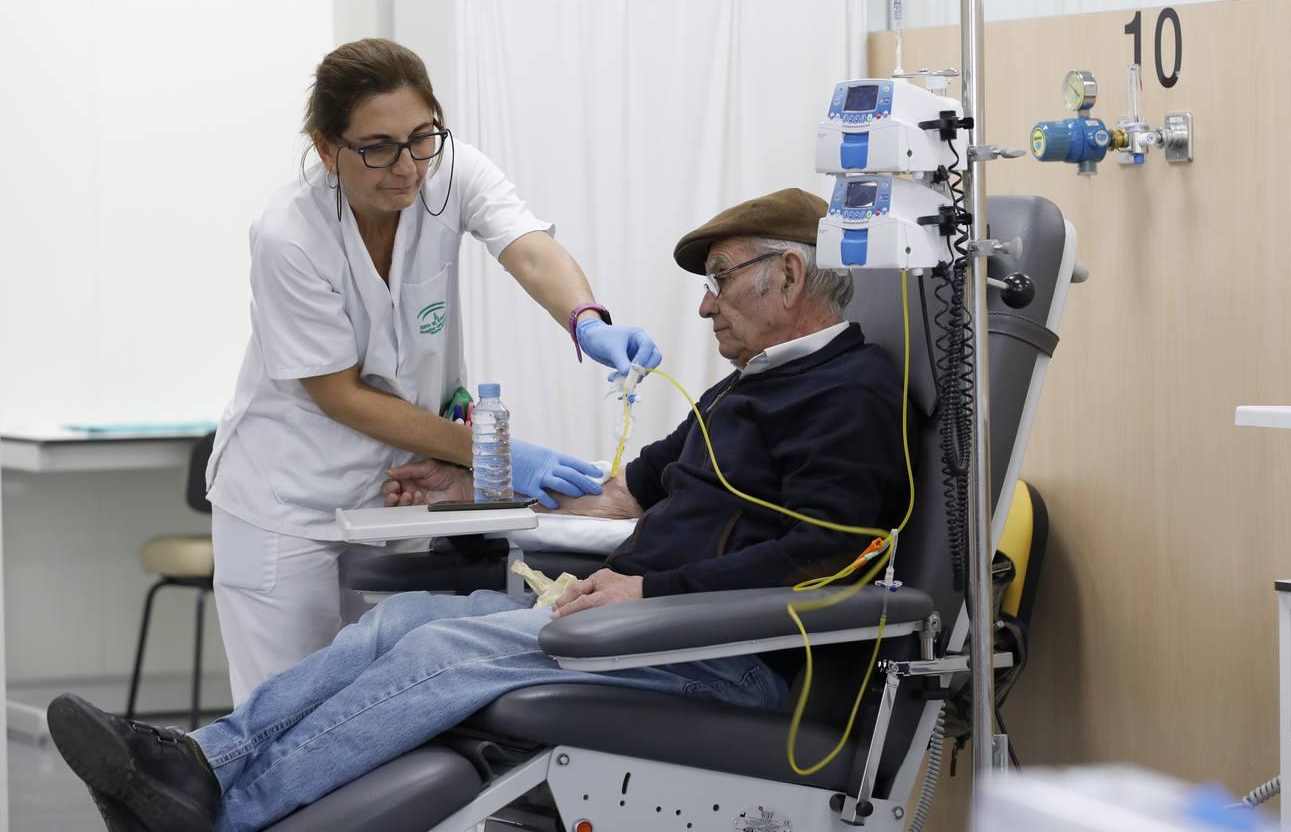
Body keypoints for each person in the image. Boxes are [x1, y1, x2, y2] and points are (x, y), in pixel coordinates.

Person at [49, 188, 913, 832]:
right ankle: (203, 760)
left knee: (444, 647)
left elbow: (827, 555)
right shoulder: (744, 388)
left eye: (722, 278)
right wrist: (479, 488)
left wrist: (652, 597)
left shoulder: (849, 392)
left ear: (790, 272)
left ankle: (230, 816)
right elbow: (621, 495)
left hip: (727, 654)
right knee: (402, 622)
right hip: (647, 624)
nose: (703, 302)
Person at [205, 38, 662, 702]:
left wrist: (586, 318)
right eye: (377, 146)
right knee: (281, 708)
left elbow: (529, 250)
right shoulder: (289, 235)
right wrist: (498, 455)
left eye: (422, 137)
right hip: (286, 501)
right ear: (327, 147)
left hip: (393, 497)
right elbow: (341, 396)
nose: (406, 166)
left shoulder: (448, 173)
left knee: (370, 702)